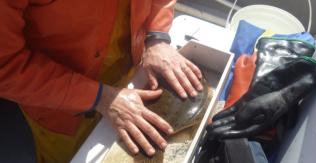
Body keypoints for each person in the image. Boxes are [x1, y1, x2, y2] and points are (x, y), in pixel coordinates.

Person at [0, 0, 203, 162]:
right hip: (61, 100)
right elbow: (5, 67)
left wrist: (156, 36)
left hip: (133, 69)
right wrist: (97, 97)